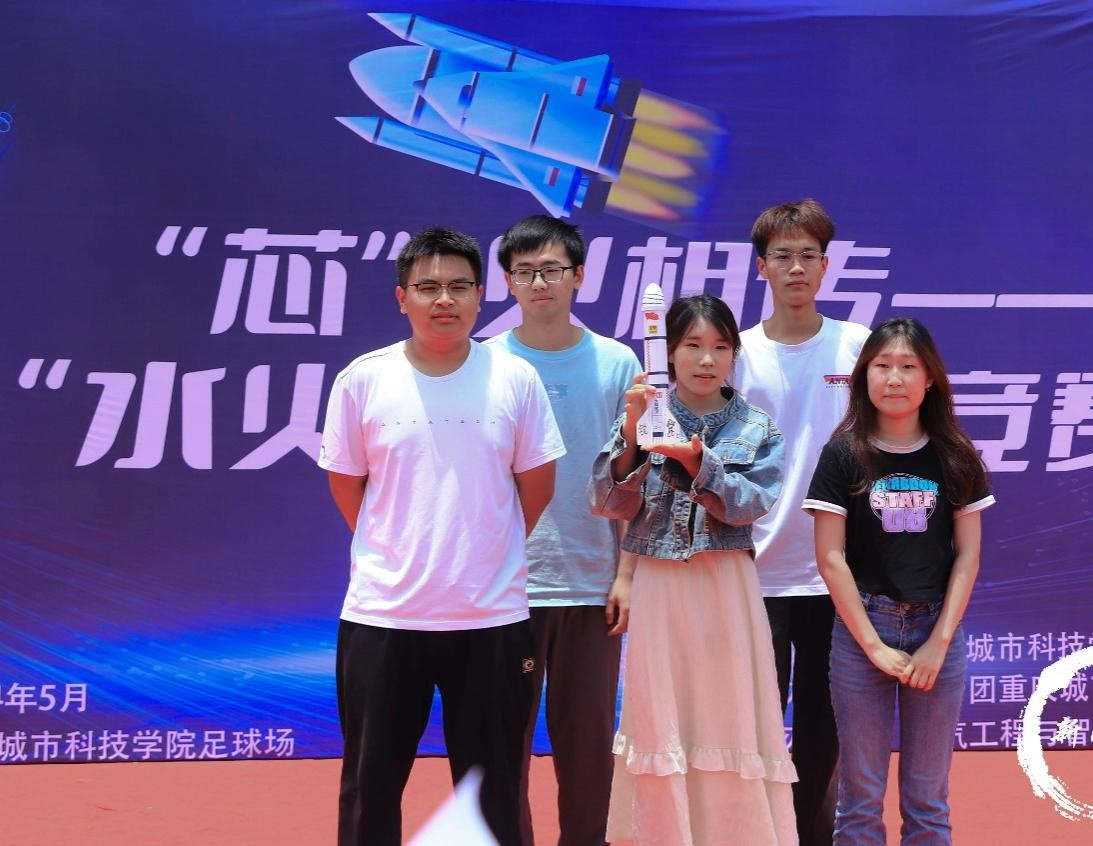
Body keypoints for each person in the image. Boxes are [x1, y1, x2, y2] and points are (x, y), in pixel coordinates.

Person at [319, 227, 565, 846]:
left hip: (491, 618)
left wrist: (485, 550)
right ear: (401, 296)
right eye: (428, 287)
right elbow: (347, 484)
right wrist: (397, 548)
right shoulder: (363, 379)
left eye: (459, 285)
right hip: (384, 615)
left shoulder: (514, 378)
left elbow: (536, 487)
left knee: (493, 791)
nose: (444, 299)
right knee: (370, 786)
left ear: (481, 295)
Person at [589, 294, 797, 846]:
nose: (707, 360)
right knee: (662, 713)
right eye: (693, 346)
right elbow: (607, 502)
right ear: (669, 352)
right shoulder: (644, 413)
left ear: (734, 355)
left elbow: (752, 504)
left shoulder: (757, 426)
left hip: (726, 583)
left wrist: (696, 461)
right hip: (660, 582)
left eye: (721, 347)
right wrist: (633, 435)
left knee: (730, 710)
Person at [802, 317, 994, 845]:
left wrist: (939, 643)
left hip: (936, 633)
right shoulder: (843, 454)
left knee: (928, 800)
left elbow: (968, 555)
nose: (894, 378)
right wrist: (873, 647)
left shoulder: (954, 454)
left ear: (929, 378)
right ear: (863, 376)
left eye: (908, 366)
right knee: (859, 799)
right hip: (862, 635)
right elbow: (831, 559)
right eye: (882, 365)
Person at [485, 215, 641, 846]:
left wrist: (627, 573)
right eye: (524, 271)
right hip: (504, 590)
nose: (538, 283)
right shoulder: (485, 361)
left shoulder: (617, 362)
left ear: (579, 276)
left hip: (591, 586)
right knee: (500, 746)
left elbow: (640, 475)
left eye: (551, 270)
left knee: (587, 748)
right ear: (507, 281)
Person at [730, 197, 871, 844]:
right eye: (782, 256)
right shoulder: (738, 353)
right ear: (761, 266)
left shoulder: (857, 346)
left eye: (807, 255)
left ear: (825, 265)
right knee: (753, 729)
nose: (795, 268)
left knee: (824, 729)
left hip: (836, 573)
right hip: (753, 572)